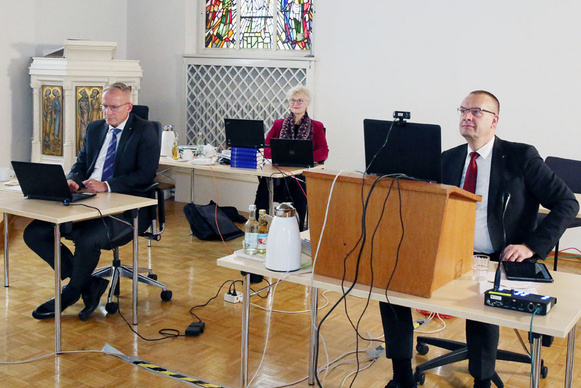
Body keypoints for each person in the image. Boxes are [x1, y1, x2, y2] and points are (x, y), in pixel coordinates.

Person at [379, 90, 579, 388]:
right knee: (391, 285)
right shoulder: (447, 159)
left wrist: (531, 246)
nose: (467, 117)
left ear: (494, 120)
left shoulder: (520, 157)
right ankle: (401, 374)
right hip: (450, 254)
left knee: (484, 301)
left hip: (499, 257)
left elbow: (567, 204)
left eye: (476, 111)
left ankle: (482, 380)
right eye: (462, 110)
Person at [24, 82, 160, 321]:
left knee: (88, 239)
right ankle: (89, 284)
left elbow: (145, 175)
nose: (108, 112)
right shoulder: (96, 128)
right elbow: (80, 165)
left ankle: (71, 292)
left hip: (126, 209)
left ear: (129, 107)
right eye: (104, 107)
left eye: (114, 107)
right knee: (35, 232)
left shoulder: (145, 130)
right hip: (86, 200)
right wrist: (73, 180)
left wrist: (107, 185)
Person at [254, 85, 329, 230]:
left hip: (300, 173)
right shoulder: (278, 124)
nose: (295, 104)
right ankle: (259, 226)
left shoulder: (317, 126)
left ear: (307, 103)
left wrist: (304, 157)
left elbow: (323, 152)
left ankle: (299, 230)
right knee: (264, 184)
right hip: (278, 171)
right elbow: (266, 148)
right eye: (292, 100)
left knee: (298, 184)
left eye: (300, 101)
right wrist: (279, 154)